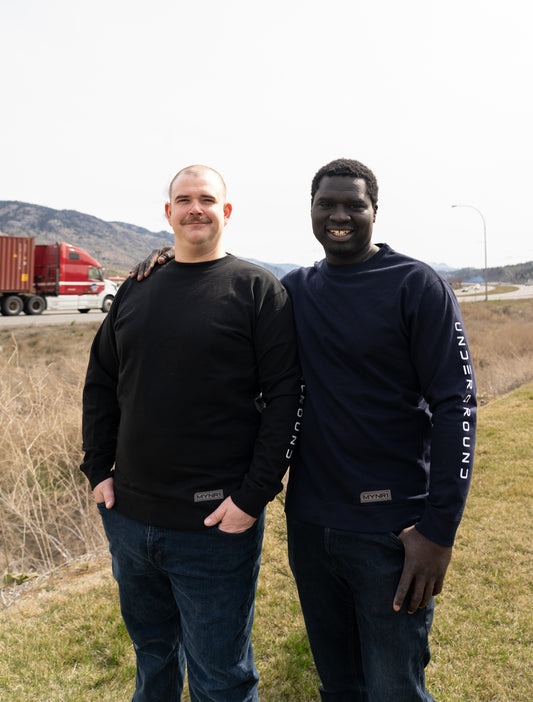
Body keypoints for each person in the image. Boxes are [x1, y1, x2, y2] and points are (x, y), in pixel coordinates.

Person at [134, 158, 477, 701]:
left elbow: (458, 405)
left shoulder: (416, 285)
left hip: (391, 528)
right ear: (311, 212)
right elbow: (217, 284)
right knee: (339, 685)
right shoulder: (293, 290)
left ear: (374, 212)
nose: (340, 215)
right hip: (312, 528)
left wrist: (438, 531)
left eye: (354, 205)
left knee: (395, 688)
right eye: (328, 205)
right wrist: (168, 259)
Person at [80, 164, 302, 702]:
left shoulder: (257, 289)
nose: (194, 208)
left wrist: (252, 498)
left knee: (220, 676)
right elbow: (102, 382)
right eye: (184, 199)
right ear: (168, 212)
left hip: (214, 526)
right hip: (130, 523)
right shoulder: (136, 289)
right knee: (153, 656)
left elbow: (288, 400)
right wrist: (98, 472)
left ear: (225, 212)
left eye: (206, 198)